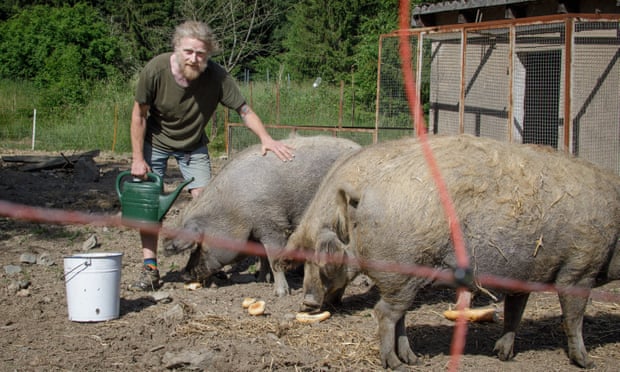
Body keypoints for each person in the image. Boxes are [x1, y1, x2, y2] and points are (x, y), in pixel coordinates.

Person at [128, 20, 294, 291]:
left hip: (193, 145)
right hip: (155, 143)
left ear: (209, 54)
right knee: (150, 209)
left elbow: (244, 110)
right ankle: (150, 269)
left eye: (201, 53)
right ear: (177, 48)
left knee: (210, 207)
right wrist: (138, 158)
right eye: (188, 52)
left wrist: (266, 139)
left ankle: (208, 264)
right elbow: (139, 114)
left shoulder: (217, 76)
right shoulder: (155, 70)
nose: (194, 59)